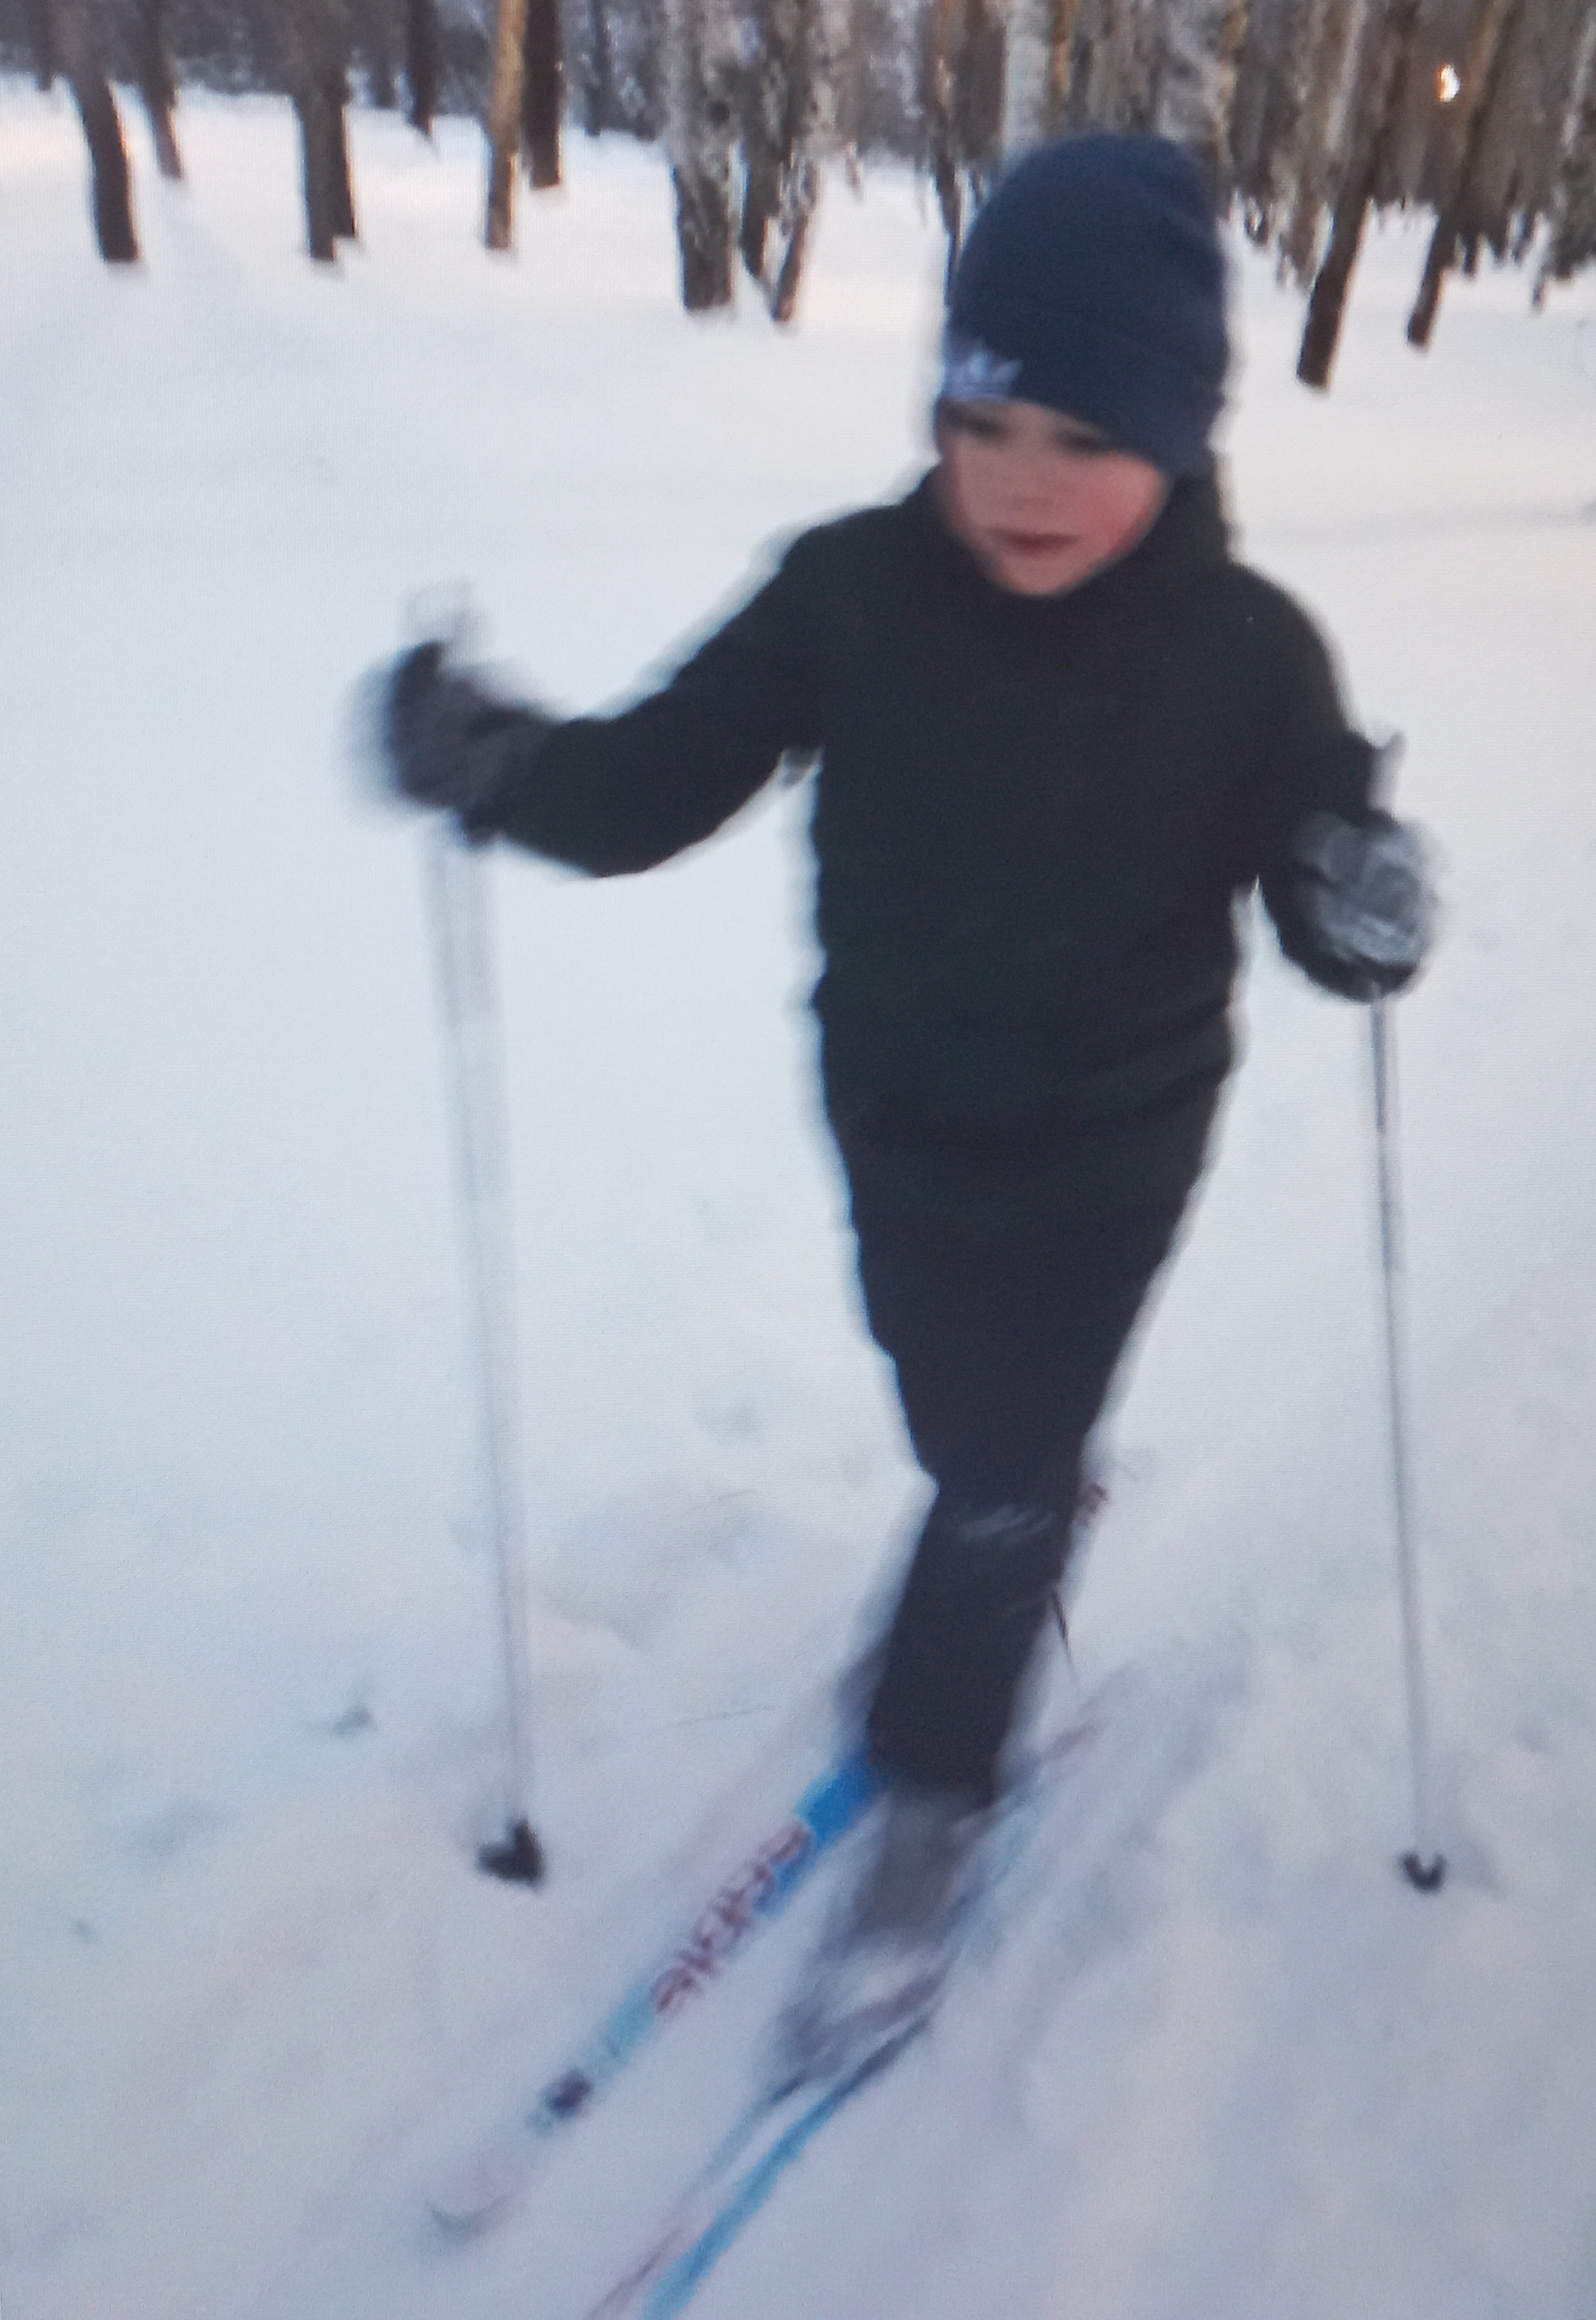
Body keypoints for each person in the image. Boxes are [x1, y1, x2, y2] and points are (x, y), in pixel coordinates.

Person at [375, 131, 1437, 2070]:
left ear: (1182, 442)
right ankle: (1009, 1511)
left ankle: (938, 1785)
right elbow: (647, 787)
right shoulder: (847, 592)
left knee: (1000, 1462)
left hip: (1116, 1142)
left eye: (1088, 436)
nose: (1028, 480)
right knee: (953, 1403)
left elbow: (1317, 881)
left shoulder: (1248, 654)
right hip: (892, 1114)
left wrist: (1355, 901)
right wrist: (492, 760)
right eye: (989, 419)